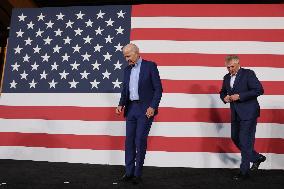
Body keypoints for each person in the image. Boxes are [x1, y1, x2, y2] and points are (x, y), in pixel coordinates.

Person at [115, 43, 163, 185]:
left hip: (145, 110)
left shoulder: (150, 66)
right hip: (131, 109)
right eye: (125, 57)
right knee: (129, 141)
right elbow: (125, 90)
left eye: (128, 56)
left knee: (139, 140)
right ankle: (129, 172)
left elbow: (158, 89)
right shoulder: (126, 70)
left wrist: (153, 107)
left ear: (137, 53)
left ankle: (137, 174)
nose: (127, 59)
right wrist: (120, 104)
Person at [219, 55, 266, 181]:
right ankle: (256, 158)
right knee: (235, 138)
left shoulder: (248, 74)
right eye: (227, 67)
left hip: (249, 113)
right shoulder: (226, 77)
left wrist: (240, 96)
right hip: (235, 113)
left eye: (232, 67)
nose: (230, 70)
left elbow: (259, 90)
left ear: (238, 64)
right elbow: (222, 92)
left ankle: (244, 172)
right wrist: (224, 97)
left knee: (245, 142)